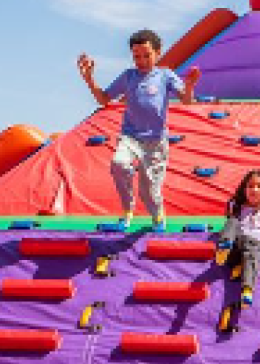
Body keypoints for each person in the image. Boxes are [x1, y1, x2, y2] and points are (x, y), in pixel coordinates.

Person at [78, 29, 200, 233]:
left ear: (158, 53)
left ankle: (157, 216)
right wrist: (90, 80)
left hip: (155, 141)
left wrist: (189, 86)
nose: (141, 61)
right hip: (130, 137)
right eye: (136, 56)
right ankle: (127, 210)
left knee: (149, 189)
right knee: (119, 164)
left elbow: (187, 101)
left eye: (146, 55)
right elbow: (104, 99)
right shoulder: (129, 76)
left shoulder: (165, 76)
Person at [215, 170, 260, 307]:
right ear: (244, 189)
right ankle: (223, 248)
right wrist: (227, 232)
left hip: (254, 245)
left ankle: (247, 290)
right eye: (250, 186)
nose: (254, 190)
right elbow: (230, 223)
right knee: (233, 221)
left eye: (259, 186)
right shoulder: (237, 206)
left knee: (252, 257)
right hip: (235, 244)